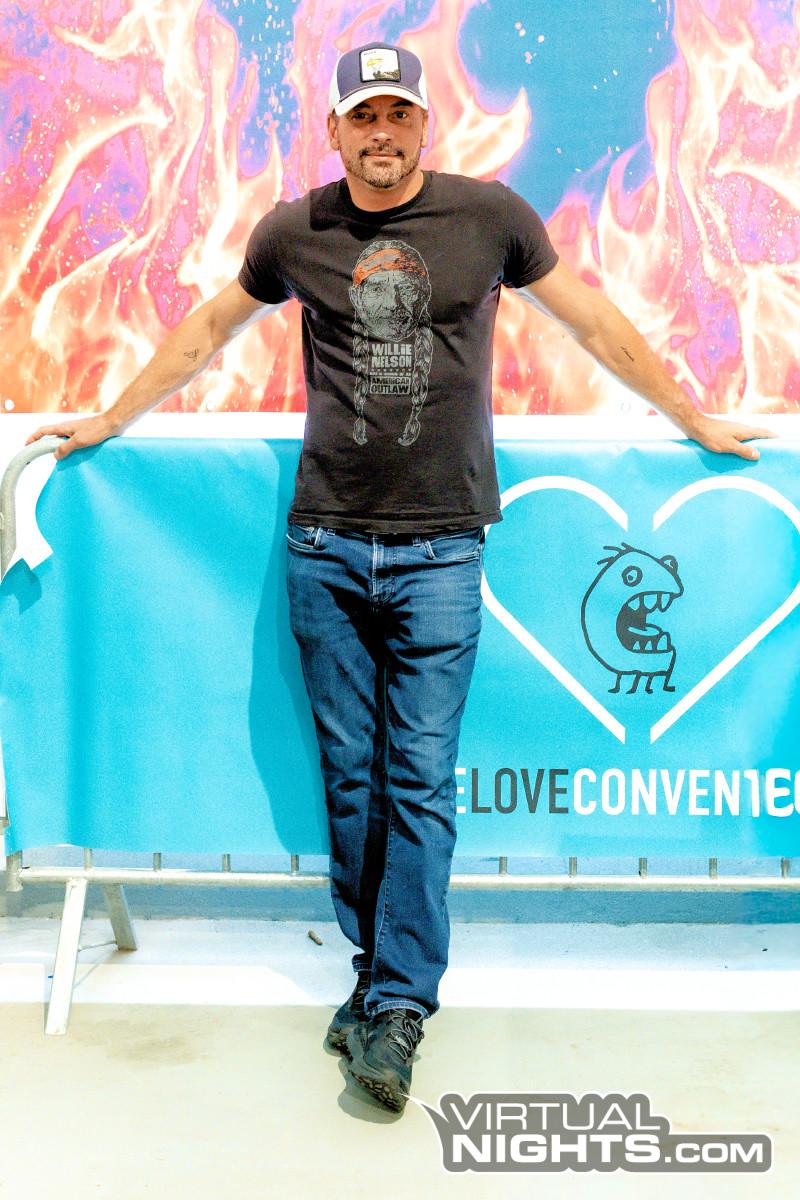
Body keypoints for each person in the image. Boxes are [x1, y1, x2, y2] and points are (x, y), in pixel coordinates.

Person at [25, 41, 775, 1114]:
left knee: (417, 782)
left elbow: (595, 324)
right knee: (351, 781)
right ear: (334, 129)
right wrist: (106, 420)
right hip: (324, 546)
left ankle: (398, 1004)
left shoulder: (490, 220)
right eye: (363, 117)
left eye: (399, 115)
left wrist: (693, 418)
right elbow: (206, 332)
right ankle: (376, 980)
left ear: (425, 123)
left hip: (440, 551)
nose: (382, 134)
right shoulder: (294, 230)